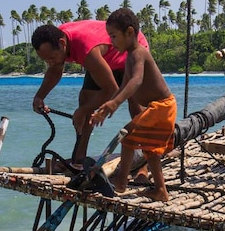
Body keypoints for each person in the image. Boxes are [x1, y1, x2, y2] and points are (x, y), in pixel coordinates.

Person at [31, 20, 149, 166]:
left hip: (130, 50)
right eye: (46, 60)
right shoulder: (58, 40)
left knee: (135, 102)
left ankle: (145, 160)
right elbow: (55, 70)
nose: (50, 63)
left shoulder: (86, 50)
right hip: (105, 56)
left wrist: (82, 111)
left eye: (52, 58)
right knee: (86, 98)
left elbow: (112, 90)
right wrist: (39, 96)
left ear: (62, 44)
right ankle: (78, 160)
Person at [90, 8, 176, 202]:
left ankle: (120, 184)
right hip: (160, 107)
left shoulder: (139, 54)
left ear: (129, 32)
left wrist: (115, 103)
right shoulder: (129, 56)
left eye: (113, 36)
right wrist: (106, 107)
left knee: (127, 137)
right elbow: (123, 86)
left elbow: (136, 82)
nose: (111, 42)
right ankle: (160, 191)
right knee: (150, 150)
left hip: (162, 106)